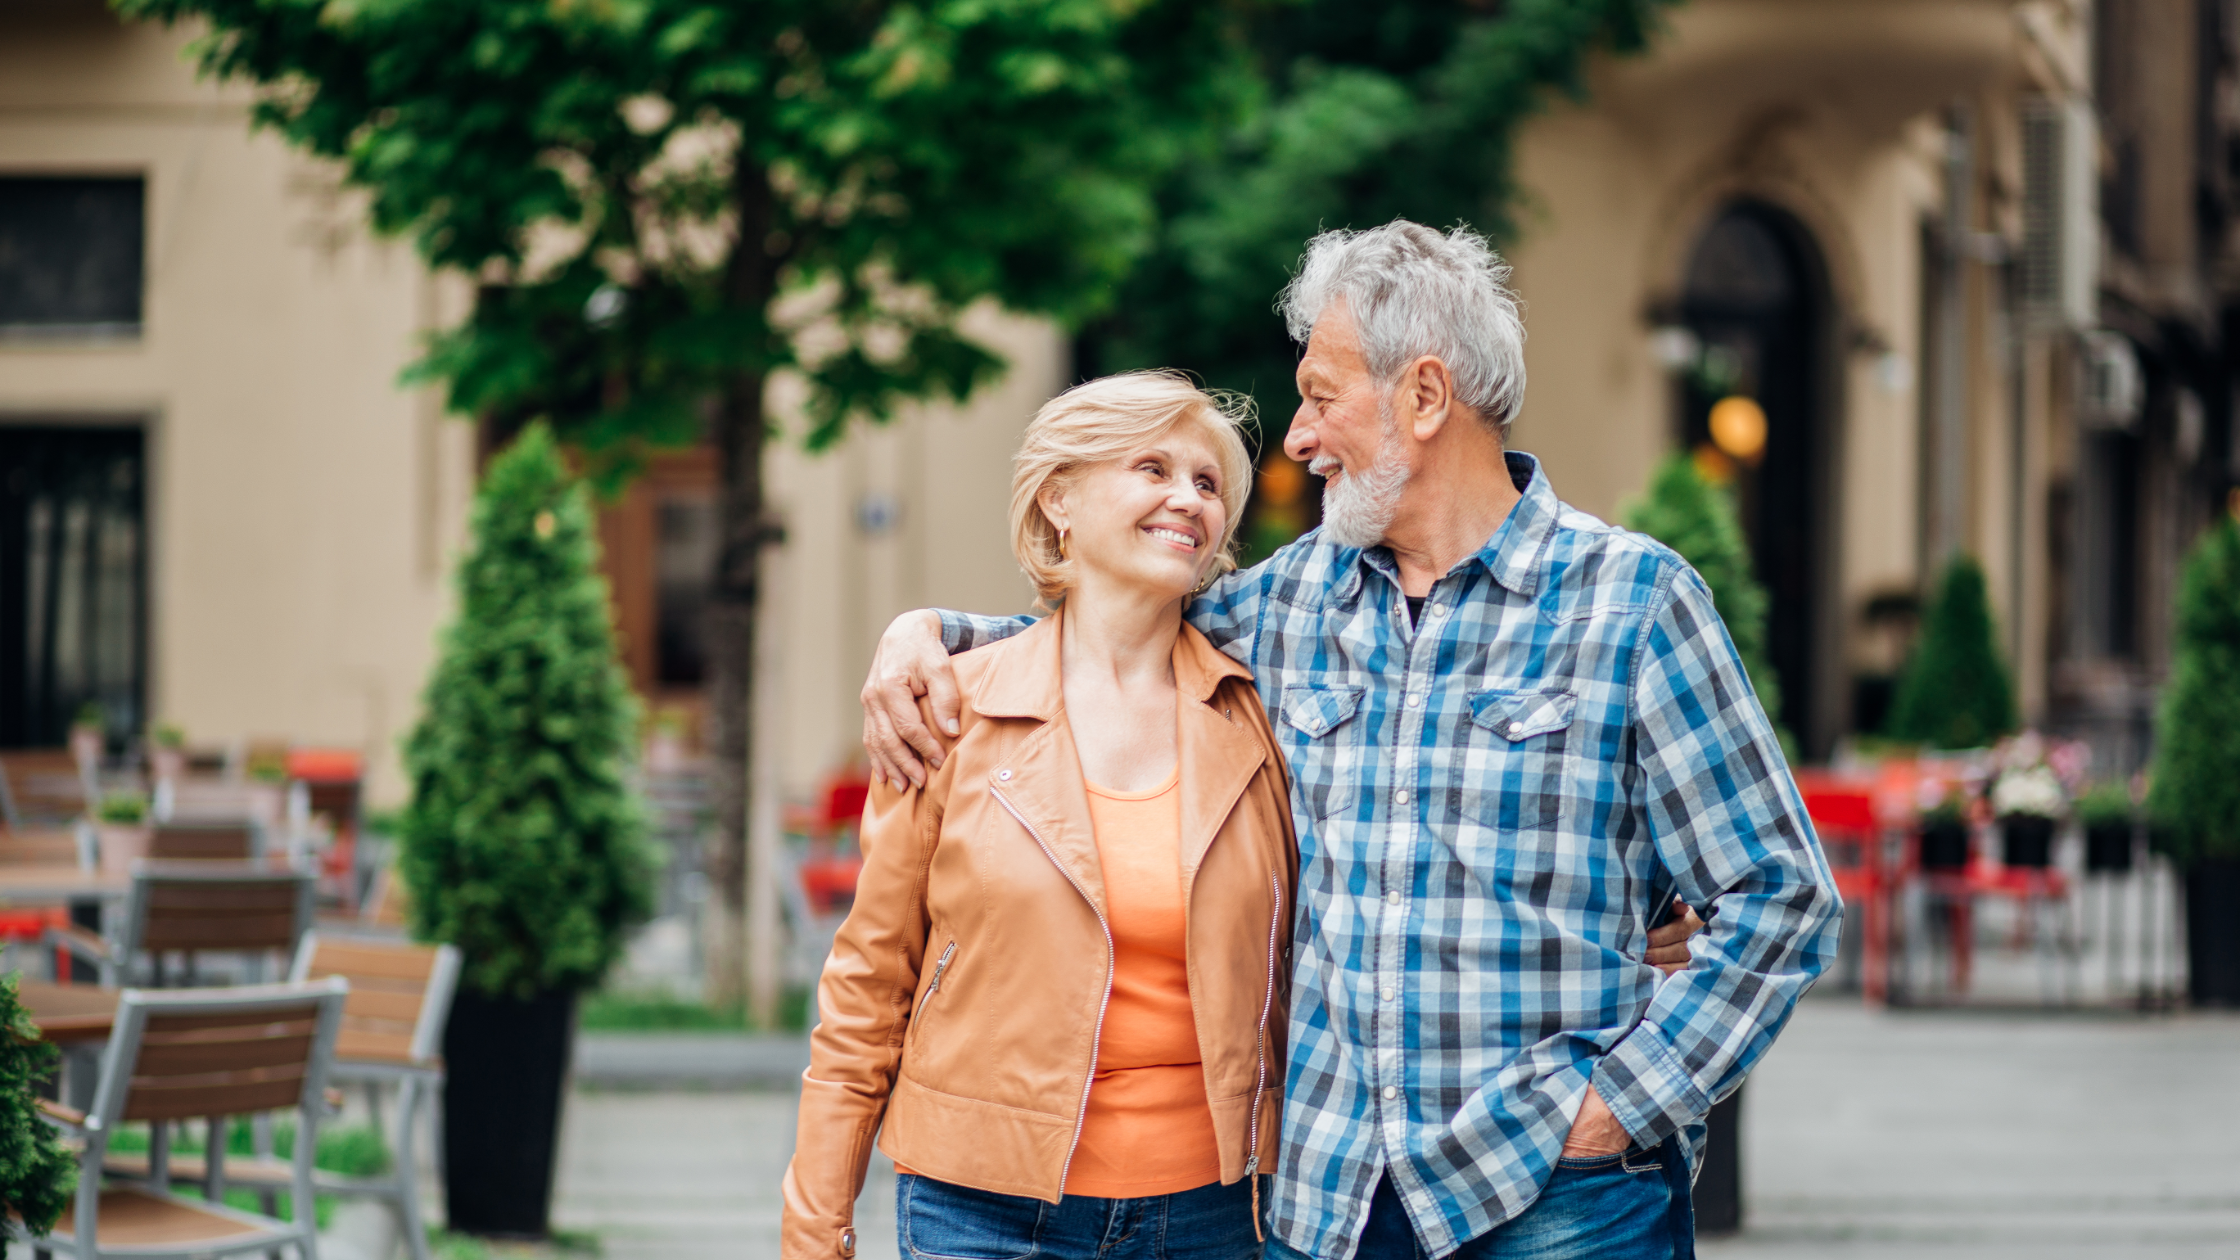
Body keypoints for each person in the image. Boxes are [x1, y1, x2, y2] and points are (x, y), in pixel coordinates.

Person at [860, 222, 1841, 1260]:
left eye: (1319, 395)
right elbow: (1100, 639)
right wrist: (927, 636)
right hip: (1324, 1209)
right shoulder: (1288, 603)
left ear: (1423, 399)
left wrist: (1619, 1107)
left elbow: (1778, 896)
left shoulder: (1632, 603)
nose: (1295, 436)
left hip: (1561, 1203)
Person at [784, 371, 1705, 1260]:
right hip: (983, 1208)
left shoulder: (1263, 707)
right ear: (1059, 499)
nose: (1188, 498)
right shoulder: (946, 708)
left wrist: (1636, 912)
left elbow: (1401, 825)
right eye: (1152, 470)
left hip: (1219, 1212)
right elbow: (867, 992)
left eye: (1207, 482)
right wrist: (817, 1230)